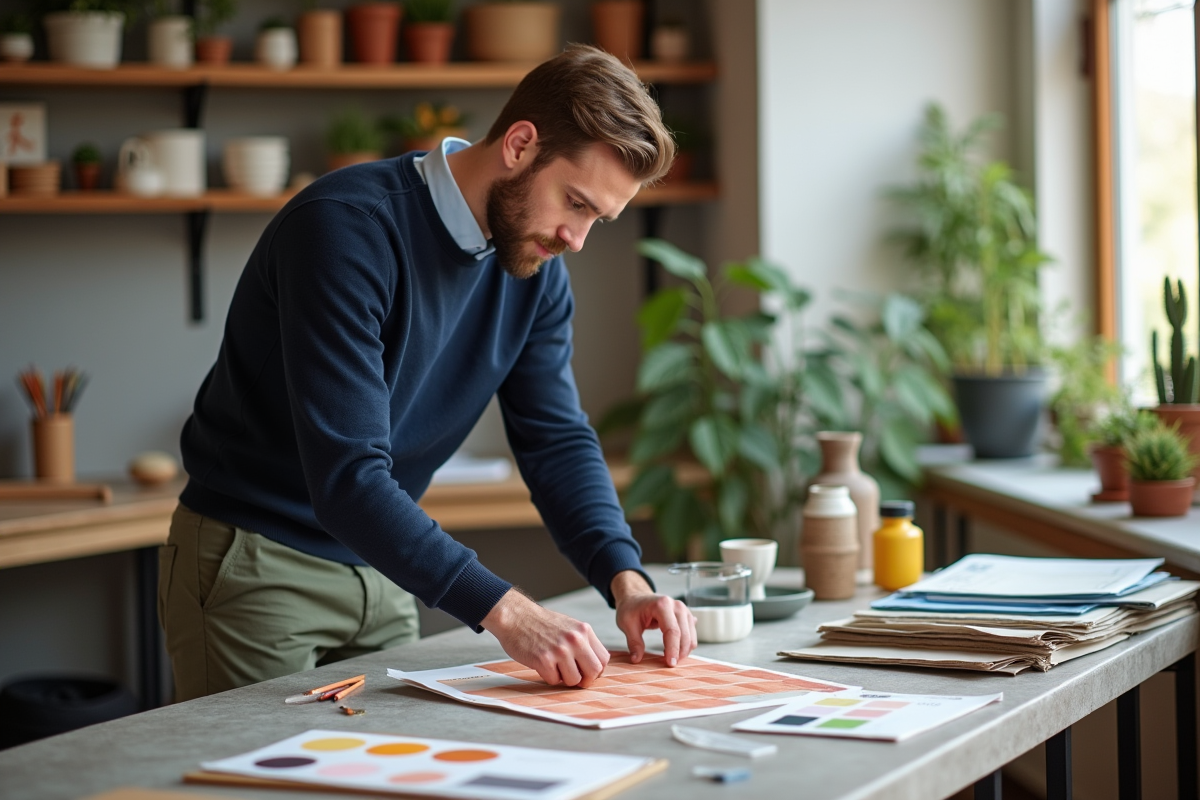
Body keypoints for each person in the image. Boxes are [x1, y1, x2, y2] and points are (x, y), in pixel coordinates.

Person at [160, 44, 697, 702]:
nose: (577, 239)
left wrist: (626, 579)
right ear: (520, 145)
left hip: (382, 567)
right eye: (577, 204)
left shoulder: (534, 273)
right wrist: (512, 614)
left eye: (599, 220)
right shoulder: (345, 229)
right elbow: (349, 478)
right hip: (257, 564)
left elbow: (556, 439)